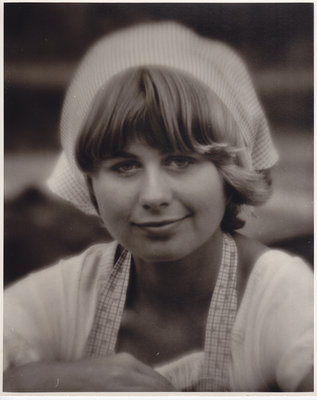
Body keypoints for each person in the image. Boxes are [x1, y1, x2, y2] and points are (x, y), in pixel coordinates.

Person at [3, 21, 313, 392]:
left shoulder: (281, 294)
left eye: (180, 160)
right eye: (125, 166)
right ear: (91, 186)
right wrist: (43, 381)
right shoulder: (68, 293)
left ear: (228, 175)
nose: (153, 195)